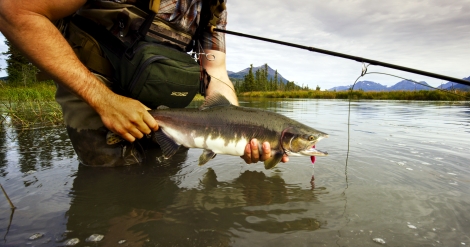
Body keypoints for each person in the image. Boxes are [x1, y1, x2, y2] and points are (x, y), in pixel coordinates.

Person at [0, 0, 289, 166]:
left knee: (163, 184)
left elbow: (216, 71)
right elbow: (14, 10)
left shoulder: (214, 4)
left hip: (169, 108)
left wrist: (238, 130)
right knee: (111, 189)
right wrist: (104, 100)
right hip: (97, 86)